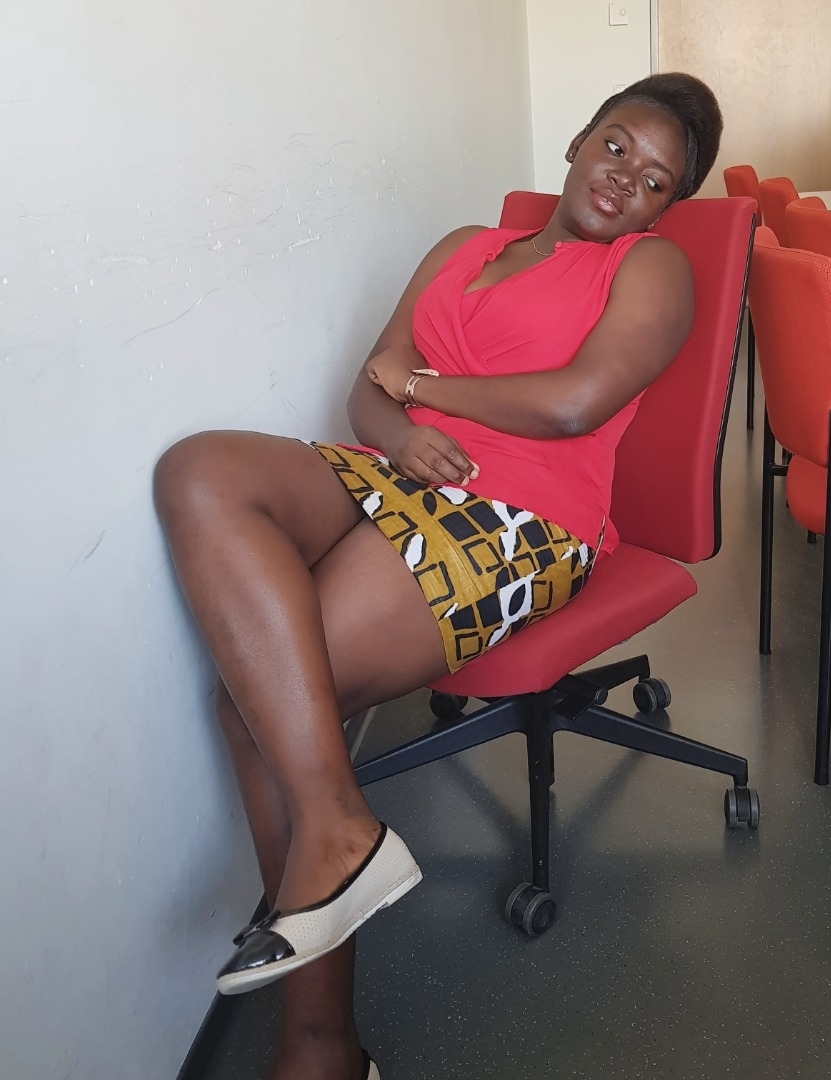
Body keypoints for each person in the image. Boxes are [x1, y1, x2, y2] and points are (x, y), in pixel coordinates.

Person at [154, 72, 722, 1080]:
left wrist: (422, 390)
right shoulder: (464, 246)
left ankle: (322, 1049)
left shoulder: (653, 268)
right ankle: (340, 832)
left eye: (654, 181)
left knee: (260, 701)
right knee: (199, 471)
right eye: (617, 146)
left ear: (664, 208)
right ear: (578, 141)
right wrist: (402, 432)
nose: (625, 179)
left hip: (525, 517)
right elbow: (367, 385)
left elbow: (573, 404)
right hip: (400, 469)